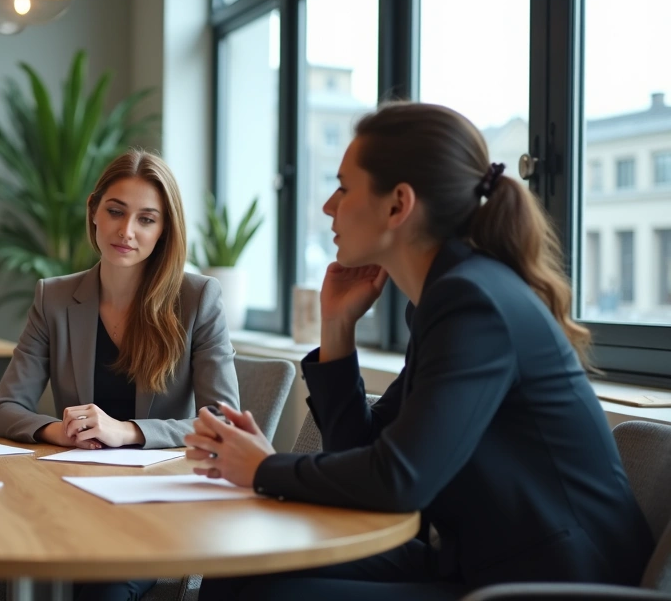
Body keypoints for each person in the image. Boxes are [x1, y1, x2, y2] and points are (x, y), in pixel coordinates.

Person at [187, 102, 654, 600]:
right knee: (239, 571)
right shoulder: (446, 299)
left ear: (398, 204)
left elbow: (398, 481)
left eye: (344, 187)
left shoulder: (471, 301)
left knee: (263, 595)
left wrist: (263, 467)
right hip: (479, 562)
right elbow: (365, 456)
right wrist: (338, 325)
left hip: (552, 585)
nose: (329, 205)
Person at [0, 149, 240, 601]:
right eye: (116, 212)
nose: (127, 232)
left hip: (156, 504)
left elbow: (222, 420)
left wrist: (127, 432)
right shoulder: (55, 298)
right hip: (70, 495)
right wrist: (56, 431)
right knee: (27, 568)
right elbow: (5, 409)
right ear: (94, 213)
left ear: (164, 230)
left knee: (101, 587)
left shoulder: (198, 298)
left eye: (147, 219)